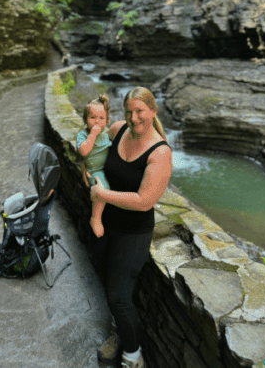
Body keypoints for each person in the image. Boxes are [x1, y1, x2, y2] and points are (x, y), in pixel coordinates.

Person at [86, 87, 172, 368]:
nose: (134, 118)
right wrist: (89, 169)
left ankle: (133, 357)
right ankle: (118, 331)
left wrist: (102, 195)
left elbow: (144, 201)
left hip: (133, 233)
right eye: (129, 112)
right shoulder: (118, 130)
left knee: (119, 297)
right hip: (106, 224)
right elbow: (97, 153)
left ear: (153, 111)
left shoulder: (160, 153)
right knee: (105, 276)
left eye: (140, 112)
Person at [76, 94, 112, 238]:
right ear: (85, 119)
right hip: (94, 171)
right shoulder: (83, 135)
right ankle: (96, 218)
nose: (97, 121)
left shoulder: (107, 133)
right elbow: (84, 152)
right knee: (102, 188)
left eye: (101, 118)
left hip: (107, 168)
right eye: (92, 118)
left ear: (107, 120)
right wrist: (92, 135)